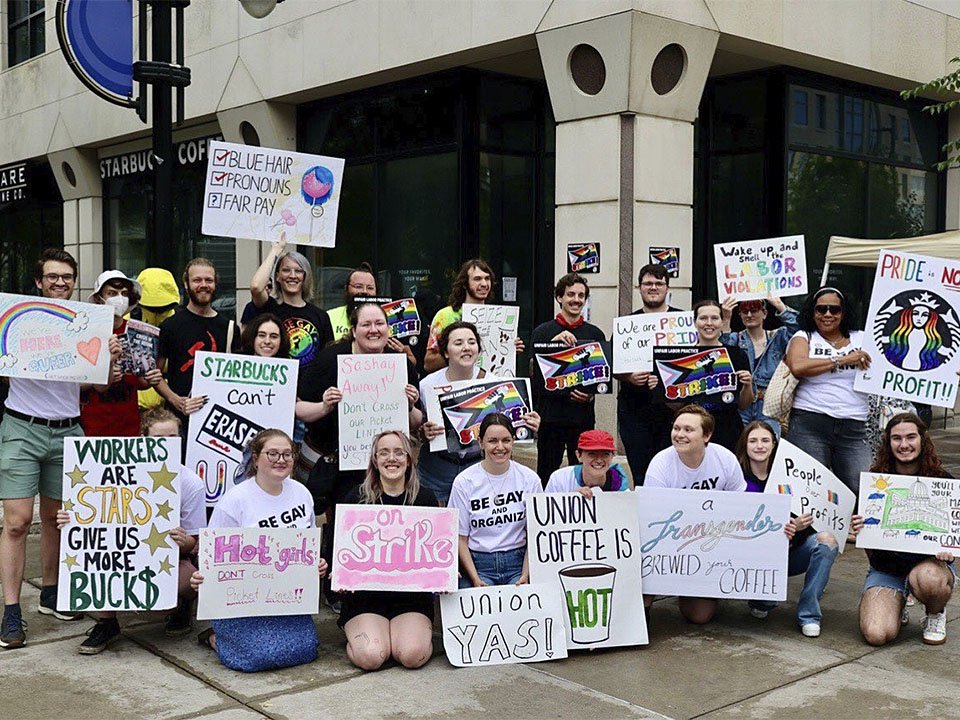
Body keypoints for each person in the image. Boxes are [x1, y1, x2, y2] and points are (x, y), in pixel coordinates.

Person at [0, 249, 120, 649]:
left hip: (69, 430)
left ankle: (51, 593)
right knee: (17, 522)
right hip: (22, 426)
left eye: (67, 277)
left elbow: (98, 387)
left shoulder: (87, 325)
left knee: (57, 518)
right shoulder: (17, 318)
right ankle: (12, 611)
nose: (60, 283)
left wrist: (109, 362)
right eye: (52, 277)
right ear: (39, 281)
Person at [59, 408, 207, 654]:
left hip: (171, 558)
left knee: (187, 582)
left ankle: (182, 606)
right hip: (124, 554)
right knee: (98, 557)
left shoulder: (190, 482)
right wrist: (69, 519)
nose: (167, 445)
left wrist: (185, 541)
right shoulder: (111, 470)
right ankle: (107, 622)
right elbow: (90, 522)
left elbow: (197, 542)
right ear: (142, 440)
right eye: (159, 440)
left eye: (173, 438)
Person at [191, 429, 328, 672]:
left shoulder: (301, 493)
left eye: (287, 454)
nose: (281, 460)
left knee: (306, 649)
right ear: (255, 458)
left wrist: (316, 564)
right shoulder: (234, 501)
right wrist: (203, 577)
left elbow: (306, 547)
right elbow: (212, 556)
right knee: (257, 658)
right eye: (272, 453)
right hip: (242, 602)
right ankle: (215, 637)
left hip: (285, 599)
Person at [736, 421, 860, 638]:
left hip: (791, 551)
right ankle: (761, 597)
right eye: (753, 440)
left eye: (765, 440)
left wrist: (799, 527)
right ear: (744, 445)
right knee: (765, 603)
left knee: (827, 540)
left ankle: (809, 614)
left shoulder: (793, 474)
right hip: (756, 557)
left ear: (774, 445)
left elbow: (811, 512)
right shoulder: (738, 479)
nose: (759, 446)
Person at [339, 431, 436, 671]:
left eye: (398, 452)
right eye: (384, 452)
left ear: (409, 459)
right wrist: (338, 575)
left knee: (413, 656)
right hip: (365, 599)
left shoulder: (425, 499)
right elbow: (336, 552)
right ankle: (368, 636)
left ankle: (402, 637)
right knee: (371, 656)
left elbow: (437, 552)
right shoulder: (356, 500)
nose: (391, 459)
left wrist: (442, 574)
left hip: (410, 599)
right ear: (374, 460)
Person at [643, 405, 746, 624]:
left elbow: (742, 505)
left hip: (710, 542)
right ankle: (644, 605)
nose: (679, 435)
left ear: (706, 435)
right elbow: (651, 521)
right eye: (676, 428)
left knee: (700, 616)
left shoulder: (725, 459)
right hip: (669, 543)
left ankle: (701, 585)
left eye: (688, 429)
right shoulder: (660, 465)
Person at [418, 321, 541, 504]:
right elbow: (418, 427)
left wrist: (529, 423)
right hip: (437, 468)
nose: (466, 348)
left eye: (471, 342)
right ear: (445, 351)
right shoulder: (427, 385)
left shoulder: (498, 384)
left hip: (478, 463)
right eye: (458, 343)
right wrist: (424, 432)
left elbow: (506, 429)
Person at [859, 413, 955, 646]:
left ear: (922, 440)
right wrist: (859, 530)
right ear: (888, 443)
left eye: (911, 437)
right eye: (896, 439)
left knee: (930, 579)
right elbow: (868, 540)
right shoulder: (876, 482)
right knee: (876, 634)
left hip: (928, 566)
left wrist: (948, 549)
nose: (904, 445)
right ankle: (897, 601)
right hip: (887, 569)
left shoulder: (944, 481)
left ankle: (934, 612)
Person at [784, 287, 871, 498]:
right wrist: (842, 359)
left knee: (861, 488)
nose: (828, 315)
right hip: (810, 421)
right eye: (821, 309)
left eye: (835, 310)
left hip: (855, 425)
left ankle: (853, 531)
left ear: (844, 313)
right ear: (812, 313)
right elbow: (798, 366)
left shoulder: (863, 338)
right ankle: (817, 533)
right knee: (811, 490)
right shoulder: (803, 337)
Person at [448, 414, 543, 588]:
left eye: (506, 440)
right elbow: (459, 538)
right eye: (492, 441)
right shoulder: (464, 482)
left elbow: (536, 533)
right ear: (480, 442)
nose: (500, 447)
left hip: (519, 562)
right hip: (478, 564)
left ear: (513, 441)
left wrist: (525, 574)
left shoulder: (530, 479)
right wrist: (476, 580)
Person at [531, 273, 607, 483]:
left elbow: (602, 377)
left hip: (581, 416)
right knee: (546, 471)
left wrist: (590, 396)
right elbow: (537, 379)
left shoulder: (596, 334)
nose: (576, 299)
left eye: (581, 295)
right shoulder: (542, 332)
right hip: (550, 417)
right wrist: (553, 347)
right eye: (570, 294)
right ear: (559, 298)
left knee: (584, 472)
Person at [614, 264, 683, 484]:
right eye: (648, 283)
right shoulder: (626, 324)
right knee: (641, 473)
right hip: (635, 410)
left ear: (667, 287)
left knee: (674, 472)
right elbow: (613, 366)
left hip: (673, 411)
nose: (653, 288)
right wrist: (628, 377)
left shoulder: (683, 322)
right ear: (639, 287)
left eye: (659, 283)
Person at [155, 258, 240, 431]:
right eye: (197, 280)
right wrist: (175, 400)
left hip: (218, 420)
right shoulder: (170, 326)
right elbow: (154, 373)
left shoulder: (229, 328)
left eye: (209, 280)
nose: (203, 285)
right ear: (186, 285)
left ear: (215, 284)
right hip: (179, 419)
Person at [80, 271, 163, 437]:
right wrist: (103, 375)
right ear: (98, 298)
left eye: (124, 294)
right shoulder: (85, 331)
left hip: (129, 426)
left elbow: (141, 382)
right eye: (112, 293)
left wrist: (151, 377)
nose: (119, 298)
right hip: (91, 426)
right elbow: (75, 384)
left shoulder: (137, 332)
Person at [676, 299, 753, 453]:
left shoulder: (736, 354)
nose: (709, 323)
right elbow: (675, 405)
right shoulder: (682, 356)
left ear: (722, 321)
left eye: (714, 318)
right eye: (703, 318)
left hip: (728, 429)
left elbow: (744, 404)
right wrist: (663, 388)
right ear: (694, 322)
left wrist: (747, 385)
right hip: (692, 429)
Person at [247, 234, 333, 371]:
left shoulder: (320, 316)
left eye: (298, 271)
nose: (292, 276)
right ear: (277, 276)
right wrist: (276, 250)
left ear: (305, 276)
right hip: (275, 385)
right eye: (286, 270)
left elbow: (327, 359)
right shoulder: (269, 307)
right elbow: (256, 287)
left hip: (307, 389)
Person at [720, 295, 799, 435]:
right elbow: (722, 351)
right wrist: (726, 319)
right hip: (742, 404)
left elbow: (799, 330)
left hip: (769, 404)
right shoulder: (735, 339)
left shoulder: (778, 337)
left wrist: (779, 305)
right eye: (745, 311)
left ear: (765, 313)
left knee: (769, 447)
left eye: (754, 309)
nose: (749, 314)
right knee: (739, 446)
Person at [424, 259, 503, 373]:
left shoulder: (499, 316)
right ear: (465, 284)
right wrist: (456, 352)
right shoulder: (446, 316)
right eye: (477, 279)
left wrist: (509, 347)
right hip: (456, 387)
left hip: (488, 384)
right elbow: (429, 363)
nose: (484, 284)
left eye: (487, 278)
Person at [131, 268, 181, 412]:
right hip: (137, 404)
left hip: (171, 403)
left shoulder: (180, 325)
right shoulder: (127, 322)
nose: (158, 310)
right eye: (152, 307)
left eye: (163, 307)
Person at [544, 430, 630, 494]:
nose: (599, 460)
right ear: (579, 456)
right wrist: (573, 499)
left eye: (605, 454)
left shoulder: (622, 490)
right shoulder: (560, 479)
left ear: (612, 456)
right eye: (592, 454)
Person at [327, 262, 377, 341]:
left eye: (370, 288)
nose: (364, 291)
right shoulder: (329, 317)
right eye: (358, 286)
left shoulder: (387, 317)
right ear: (346, 289)